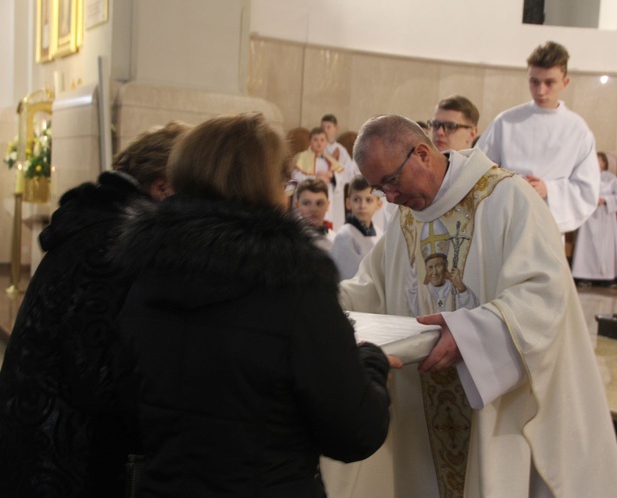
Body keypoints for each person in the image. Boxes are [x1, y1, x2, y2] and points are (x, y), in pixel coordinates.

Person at [339, 114, 617, 497]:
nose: (389, 198)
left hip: (492, 408)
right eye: (379, 188)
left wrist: (470, 334)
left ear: (422, 154)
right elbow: (369, 288)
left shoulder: (506, 197)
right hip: (422, 411)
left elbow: (546, 292)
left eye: (390, 181)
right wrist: (314, 303)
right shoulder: (407, 218)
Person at [111, 113, 392, 497]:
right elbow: (354, 431)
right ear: (266, 185)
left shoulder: (144, 270)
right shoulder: (293, 281)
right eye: (285, 182)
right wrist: (372, 364)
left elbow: (125, 405)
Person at [0, 121, 190, 498]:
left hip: (43, 432)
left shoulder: (98, 221)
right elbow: (96, 370)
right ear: (163, 187)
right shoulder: (115, 239)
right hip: (60, 451)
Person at [476, 41, 600, 234]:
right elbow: (480, 171)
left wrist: (549, 189)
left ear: (565, 82)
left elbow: (586, 189)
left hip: (548, 225)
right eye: (534, 82)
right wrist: (511, 185)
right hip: (505, 221)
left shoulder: (577, 130)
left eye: (549, 82)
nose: (541, 91)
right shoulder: (506, 121)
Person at [571, 152, 617, 286]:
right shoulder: (586, 176)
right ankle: (585, 275)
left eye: (598, 160)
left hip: (606, 215)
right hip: (590, 214)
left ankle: (606, 277)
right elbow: (578, 193)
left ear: (604, 163)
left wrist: (606, 200)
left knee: (606, 246)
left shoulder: (612, 178)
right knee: (587, 245)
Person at [293, 126, 350, 229]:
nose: (319, 143)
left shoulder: (330, 160)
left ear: (326, 142)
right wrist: (316, 178)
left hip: (327, 200)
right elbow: (295, 177)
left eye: (322, 140)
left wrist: (333, 177)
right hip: (309, 198)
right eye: (315, 139)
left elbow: (344, 176)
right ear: (310, 141)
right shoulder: (301, 157)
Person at [330, 175, 383, 280]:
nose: (362, 205)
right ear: (348, 203)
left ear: (379, 204)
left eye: (369, 200)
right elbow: (351, 277)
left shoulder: (380, 233)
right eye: (357, 200)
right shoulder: (344, 236)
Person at [295, 177, 337, 251]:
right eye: (307, 203)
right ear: (297, 206)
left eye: (319, 203)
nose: (313, 209)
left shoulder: (336, 241)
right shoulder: (290, 241)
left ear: (327, 205)